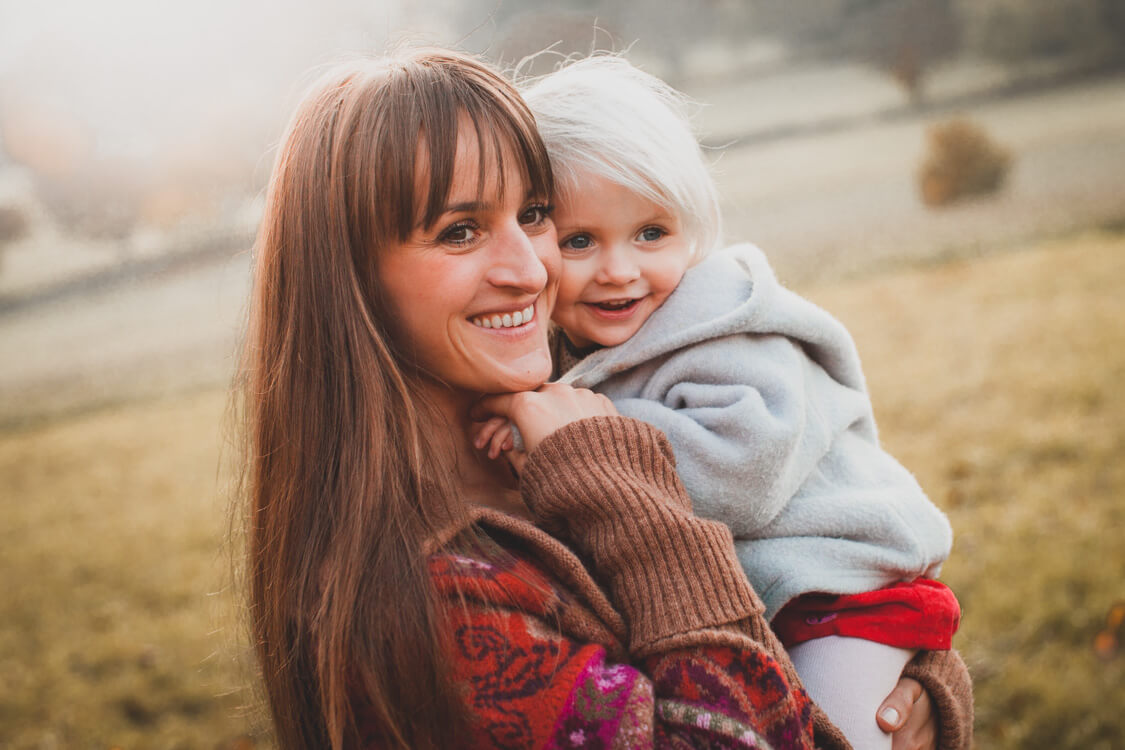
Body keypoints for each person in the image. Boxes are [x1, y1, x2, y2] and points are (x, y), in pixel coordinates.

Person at [237, 47, 973, 750]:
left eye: (534, 215)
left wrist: (918, 693)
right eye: (460, 231)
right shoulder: (433, 599)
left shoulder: (560, 412)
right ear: (350, 284)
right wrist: (631, 503)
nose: (532, 270)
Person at [471, 55, 966, 749]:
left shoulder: (725, 328)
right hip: (769, 608)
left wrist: (575, 435)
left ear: (692, 225)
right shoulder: (569, 350)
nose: (620, 270)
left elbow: (743, 476)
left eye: (651, 233)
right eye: (580, 241)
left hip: (847, 598)